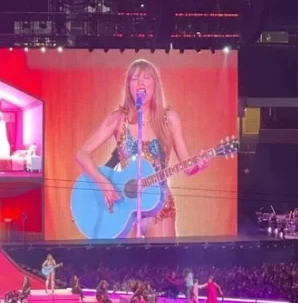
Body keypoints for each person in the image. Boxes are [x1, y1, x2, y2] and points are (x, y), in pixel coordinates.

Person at [75, 59, 207, 238]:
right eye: (135, 78)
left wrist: (198, 164)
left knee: (163, 263)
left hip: (160, 206)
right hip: (125, 207)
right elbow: (82, 154)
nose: (141, 82)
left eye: (147, 77)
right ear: (129, 85)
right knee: (127, 265)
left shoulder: (169, 119)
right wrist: (104, 183)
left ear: (155, 85)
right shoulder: (118, 119)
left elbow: (188, 166)